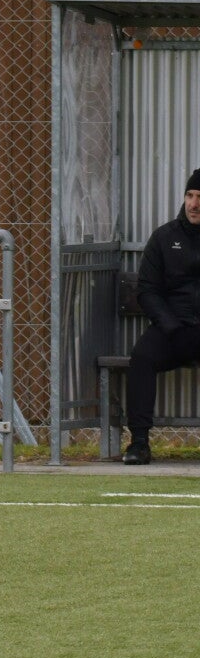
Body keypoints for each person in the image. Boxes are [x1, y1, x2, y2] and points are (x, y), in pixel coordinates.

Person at [123, 172, 200, 465]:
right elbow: (147, 290)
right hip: (174, 330)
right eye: (190, 195)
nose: (194, 204)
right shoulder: (165, 237)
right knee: (142, 358)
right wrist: (170, 326)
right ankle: (139, 443)